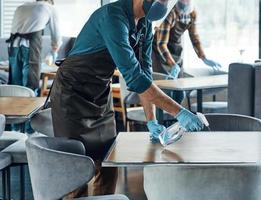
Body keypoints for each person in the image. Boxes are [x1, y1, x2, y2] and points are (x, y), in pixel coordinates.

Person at [50, 0, 205, 198]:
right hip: (71, 93)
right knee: (77, 168)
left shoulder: (145, 25)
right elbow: (134, 77)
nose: (164, 4)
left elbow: (144, 77)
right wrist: (180, 112)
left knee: (109, 162)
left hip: (99, 92)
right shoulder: (112, 17)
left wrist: (152, 120)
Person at [152, 0, 221, 102]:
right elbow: (161, 44)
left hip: (176, 51)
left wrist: (203, 57)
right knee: (164, 89)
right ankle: (162, 117)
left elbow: (195, 38)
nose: (185, 2)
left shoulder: (192, 13)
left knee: (179, 89)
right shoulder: (170, 13)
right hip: (160, 54)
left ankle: (176, 116)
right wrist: (172, 64)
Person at [7, 0, 61, 93]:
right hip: (30, 46)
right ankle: (30, 107)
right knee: (30, 86)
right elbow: (56, 35)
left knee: (14, 86)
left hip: (13, 45)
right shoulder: (50, 7)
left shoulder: (22, 6)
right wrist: (54, 51)